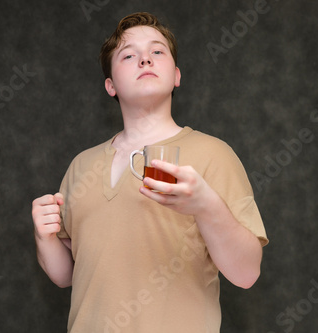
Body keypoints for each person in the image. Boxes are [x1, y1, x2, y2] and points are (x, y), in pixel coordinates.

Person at [32, 12, 268, 333]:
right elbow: (67, 276)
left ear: (177, 76)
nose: (145, 59)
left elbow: (246, 273)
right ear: (110, 85)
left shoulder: (214, 154)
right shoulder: (81, 166)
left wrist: (206, 206)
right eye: (128, 55)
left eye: (157, 51)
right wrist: (44, 237)